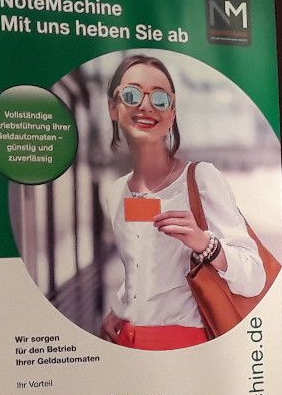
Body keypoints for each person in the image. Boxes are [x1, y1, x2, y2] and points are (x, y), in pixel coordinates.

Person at [98, 54, 266, 349]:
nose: (146, 105)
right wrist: (120, 309)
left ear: (172, 113)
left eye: (160, 98)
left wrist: (206, 244)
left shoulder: (201, 179)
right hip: (127, 343)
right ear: (114, 107)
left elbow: (255, 277)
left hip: (185, 347)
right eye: (132, 94)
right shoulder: (115, 192)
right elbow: (140, 269)